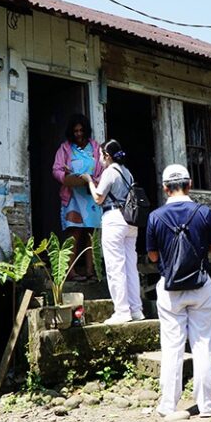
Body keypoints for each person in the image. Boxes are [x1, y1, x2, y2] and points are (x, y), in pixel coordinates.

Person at [146, 164, 211, 418]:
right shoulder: (204, 212)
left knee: (172, 347)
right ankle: (207, 406)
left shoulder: (155, 217)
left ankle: (168, 405)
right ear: (189, 185)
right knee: (202, 344)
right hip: (201, 286)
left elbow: (152, 255)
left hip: (170, 289)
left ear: (165, 188)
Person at [81, 140, 144, 325]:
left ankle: (122, 311)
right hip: (130, 221)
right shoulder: (127, 172)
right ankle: (136, 310)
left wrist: (89, 181)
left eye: (101, 155)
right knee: (130, 267)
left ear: (107, 156)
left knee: (115, 266)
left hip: (114, 218)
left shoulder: (109, 171)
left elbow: (98, 198)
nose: (100, 159)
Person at [52, 114, 103, 281]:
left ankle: (91, 271)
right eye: (75, 131)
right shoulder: (65, 148)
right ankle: (70, 272)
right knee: (74, 232)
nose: (79, 134)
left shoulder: (95, 147)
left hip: (91, 196)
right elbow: (56, 169)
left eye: (81, 130)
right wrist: (66, 176)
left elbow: (103, 169)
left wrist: (94, 181)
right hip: (73, 196)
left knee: (91, 234)